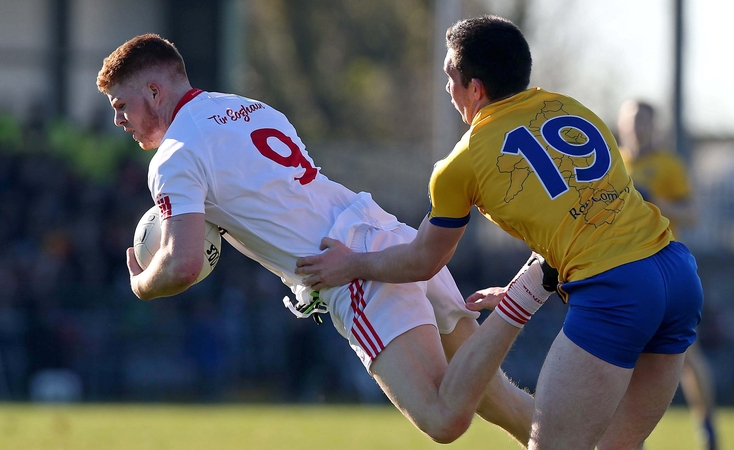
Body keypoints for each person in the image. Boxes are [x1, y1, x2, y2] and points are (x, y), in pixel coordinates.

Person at [96, 33, 538, 446]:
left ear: (155, 92)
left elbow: (182, 263)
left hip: (351, 269)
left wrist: (141, 282)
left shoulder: (174, 155)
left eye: (121, 105)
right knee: (497, 398)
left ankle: (524, 296)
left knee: (444, 419)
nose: (119, 120)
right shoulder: (252, 108)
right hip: (391, 235)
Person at [296, 15, 705, 450]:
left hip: (619, 291)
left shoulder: (463, 162)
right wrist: (524, 284)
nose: (448, 90)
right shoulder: (572, 107)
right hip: (678, 276)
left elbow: (422, 261)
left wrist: (352, 263)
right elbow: (587, 218)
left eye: (451, 78)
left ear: (475, 88)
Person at [618, 100, 720, 450]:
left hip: (665, 269)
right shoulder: (613, 162)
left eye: (643, 121)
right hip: (623, 271)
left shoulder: (667, 164)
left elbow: (692, 213)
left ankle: (707, 424)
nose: (636, 127)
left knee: (686, 355)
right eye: (631, 121)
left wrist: (656, 200)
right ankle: (630, 437)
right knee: (622, 355)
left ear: (653, 125)